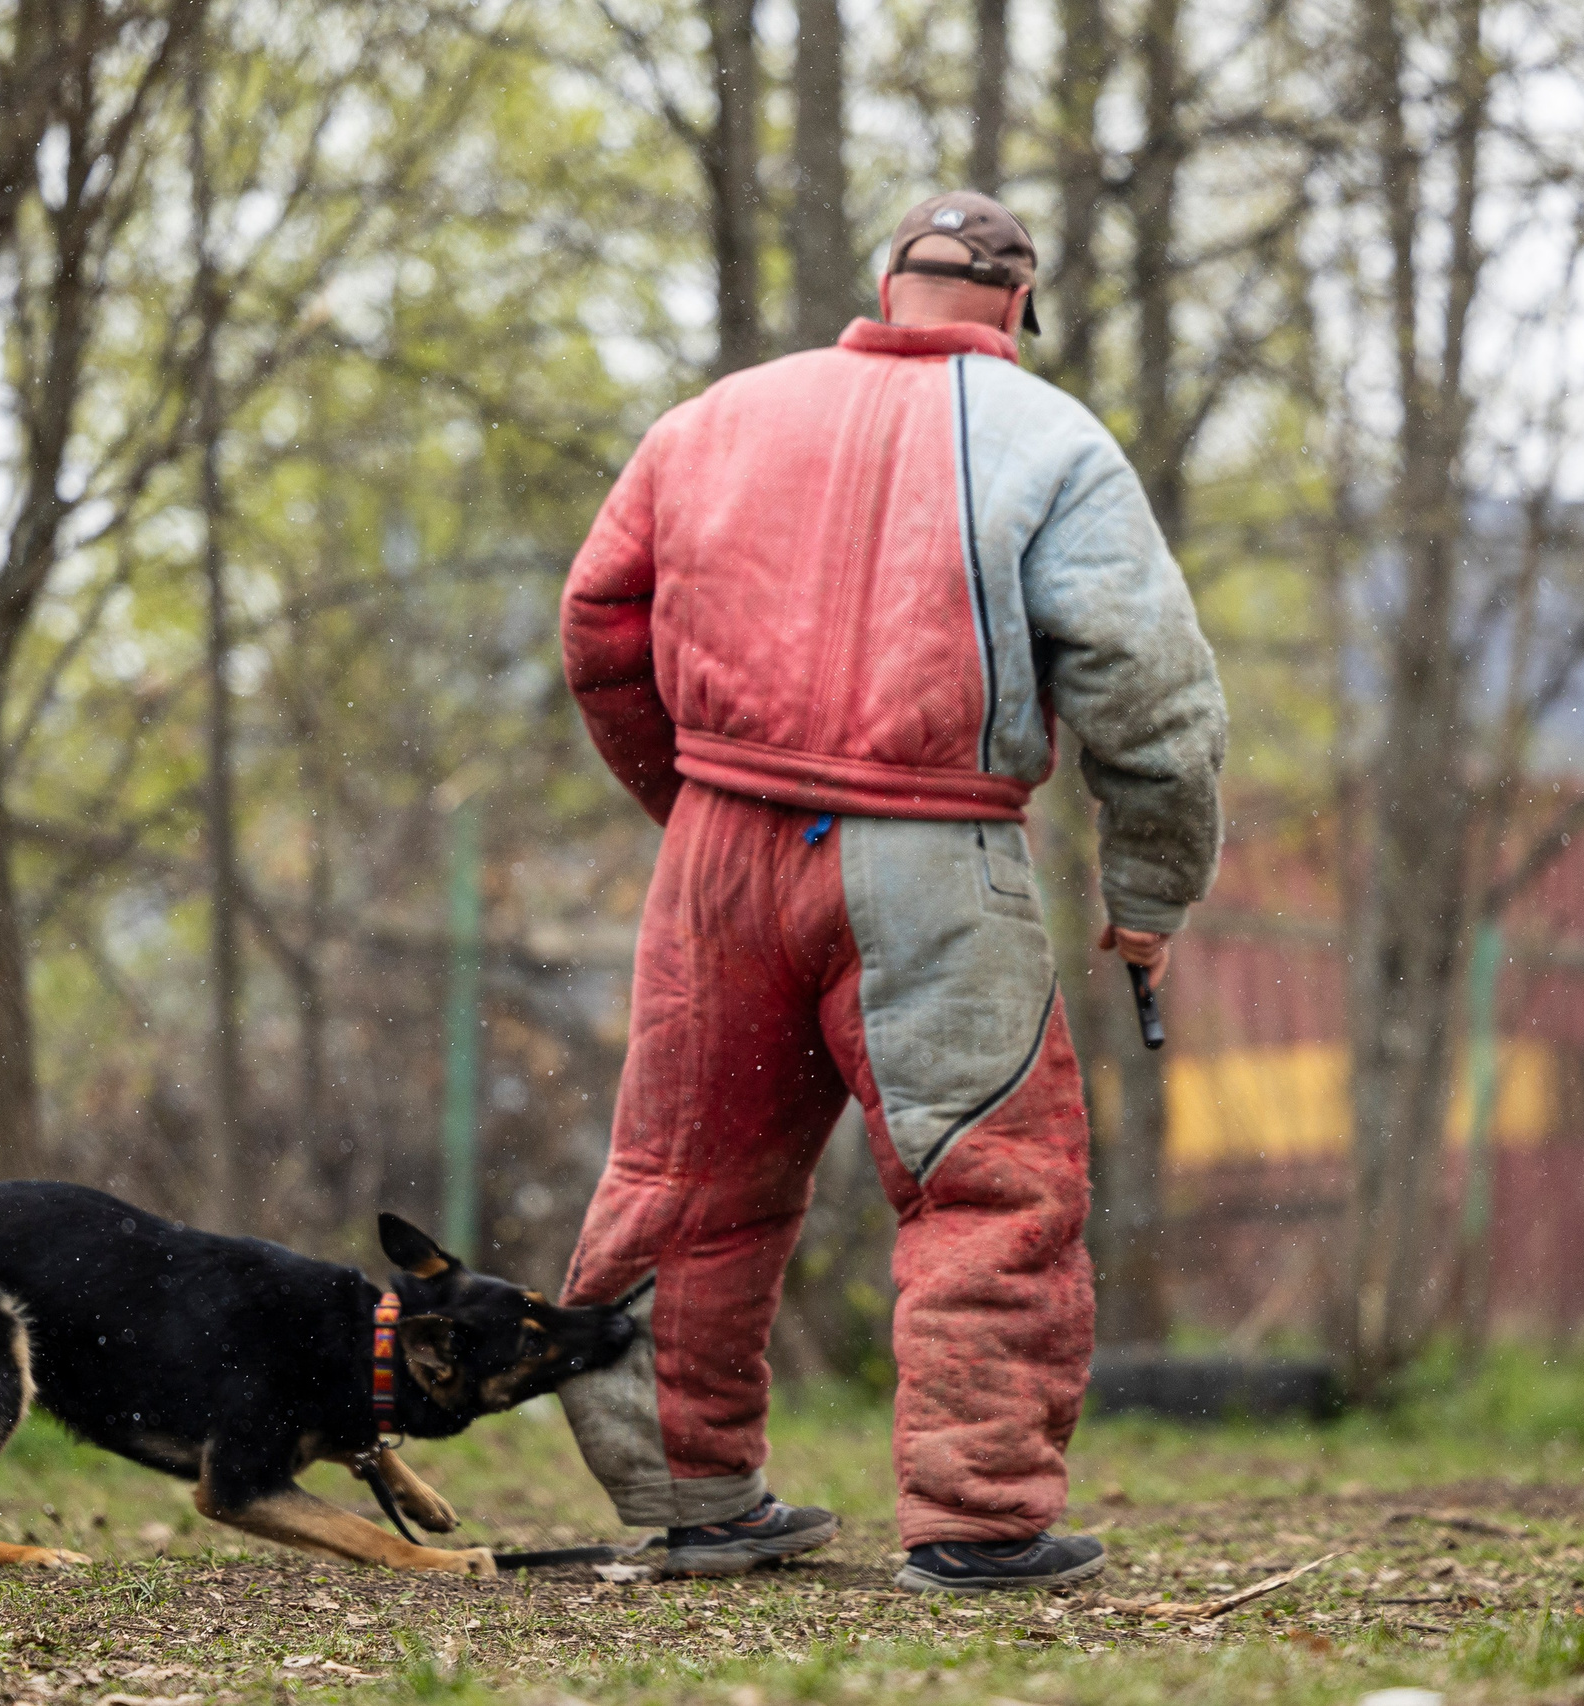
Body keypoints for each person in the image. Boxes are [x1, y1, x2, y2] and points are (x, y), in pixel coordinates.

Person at [551, 192, 1226, 1593]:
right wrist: (1150, 890)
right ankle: (976, 1520)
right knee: (987, 1185)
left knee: (686, 1180)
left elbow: (599, 626)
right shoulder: (1053, 442)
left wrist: (695, 804)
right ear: (1018, 309)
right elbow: (1151, 695)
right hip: (935, 852)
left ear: (883, 284)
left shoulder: (716, 419)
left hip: (720, 849)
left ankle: (692, 1497)